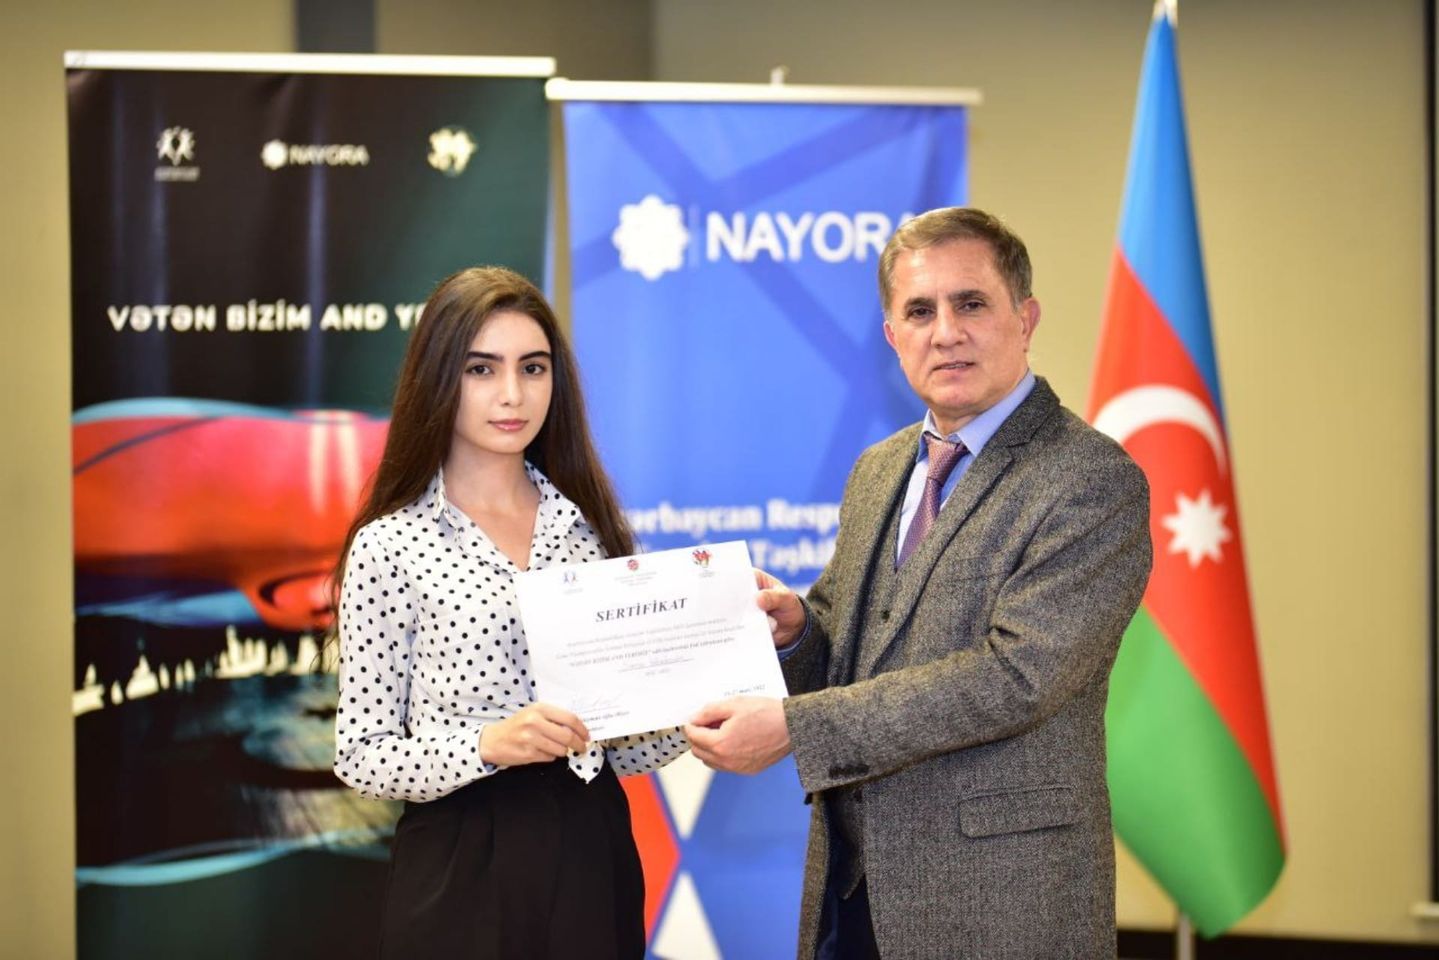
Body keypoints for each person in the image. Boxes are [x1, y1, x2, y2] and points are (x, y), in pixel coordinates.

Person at [685, 207, 1153, 959]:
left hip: (1000, 907)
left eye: (971, 303)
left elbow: (1017, 678)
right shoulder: (879, 469)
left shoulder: (1089, 478)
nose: (946, 332)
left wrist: (800, 729)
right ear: (891, 335)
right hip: (852, 893)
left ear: (1025, 318)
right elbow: (848, 645)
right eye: (920, 311)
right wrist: (796, 630)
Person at [331, 266, 687, 960]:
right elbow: (362, 754)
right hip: (460, 853)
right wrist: (486, 745)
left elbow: (625, 746)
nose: (512, 394)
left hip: (591, 844)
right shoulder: (390, 544)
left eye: (532, 367)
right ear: (439, 377)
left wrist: (697, 698)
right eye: (481, 369)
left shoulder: (587, 528)